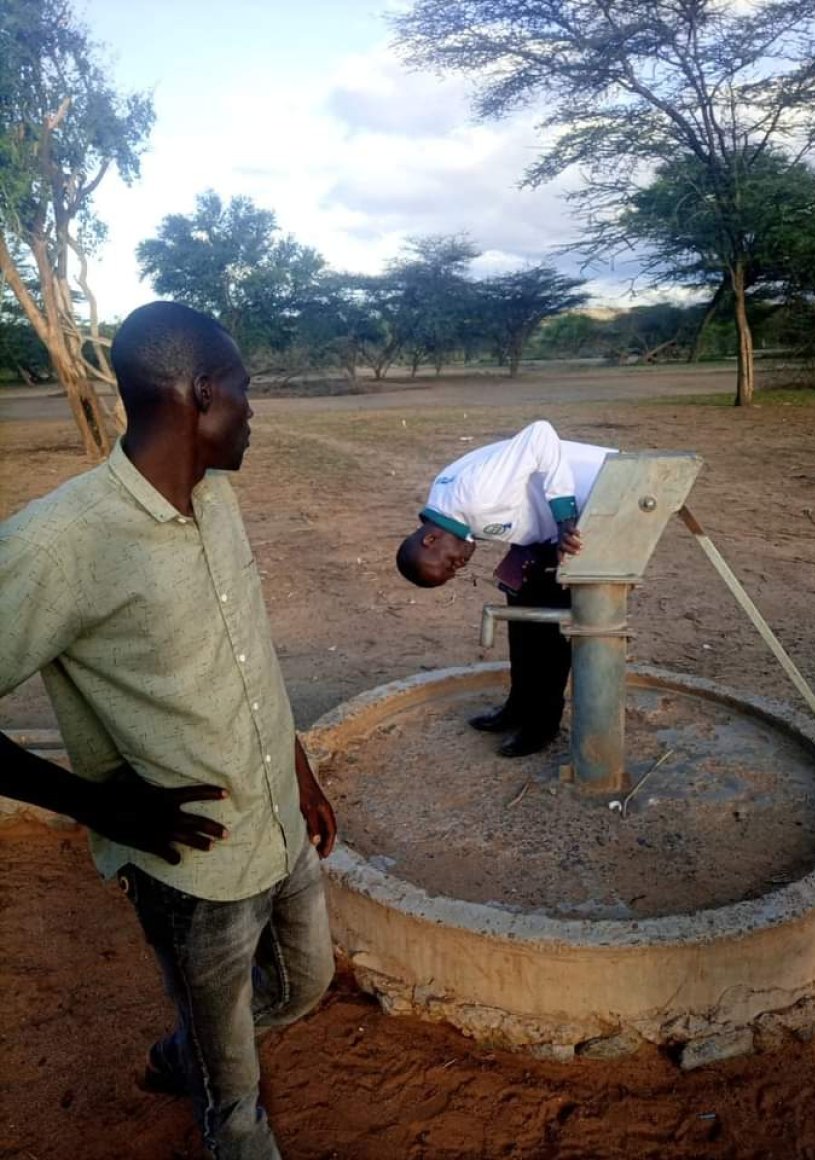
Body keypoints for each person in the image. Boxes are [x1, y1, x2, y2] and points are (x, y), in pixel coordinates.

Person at [0, 301, 336, 1160]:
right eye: (247, 391)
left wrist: (297, 770)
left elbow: (247, 648)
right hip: (193, 871)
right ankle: (214, 1077)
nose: (255, 411)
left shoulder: (217, 498)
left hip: (278, 825)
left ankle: (183, 1051)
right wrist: (100, 808)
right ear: (201, 391)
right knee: (239, 1108)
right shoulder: (59, 543)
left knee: (306, 985)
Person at [396, 420, 616, 757]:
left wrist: (564, 521)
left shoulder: (472, 494)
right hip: (546, 535)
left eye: (449, 564)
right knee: (522, 611)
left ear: (430, 539)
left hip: (603, 493)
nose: (459, 566)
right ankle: (519, 707)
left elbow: (541, 433)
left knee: (549, 627)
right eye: (454, 571)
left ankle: (542, 725)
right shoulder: (448, 508)